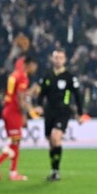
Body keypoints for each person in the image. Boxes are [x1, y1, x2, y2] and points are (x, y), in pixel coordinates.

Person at [36, 48, 85, 182]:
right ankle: (53, 170)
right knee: (51, 141)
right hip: (49, 111)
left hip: (63, 111)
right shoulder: (48, 75)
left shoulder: (69, 77)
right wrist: (39, 105)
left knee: (56, 137)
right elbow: (42, 93)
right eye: (56, 57)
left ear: (65, 60)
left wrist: (80, 114)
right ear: (52, 59)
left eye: (61, 58)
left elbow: (77, 95)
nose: (58, 60)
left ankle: (56, 171)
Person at [0, 56, 39, 181]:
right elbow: (20, 98)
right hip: (13, 112)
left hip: (8, 109)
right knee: (15, 142)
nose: (35, 69)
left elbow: (18, 93)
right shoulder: (23, 77)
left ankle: (13, 173)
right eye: (34, 66)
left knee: (16, 141)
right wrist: (24, 115)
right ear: (29, 64)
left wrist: (30, 92)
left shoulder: (15, 74)